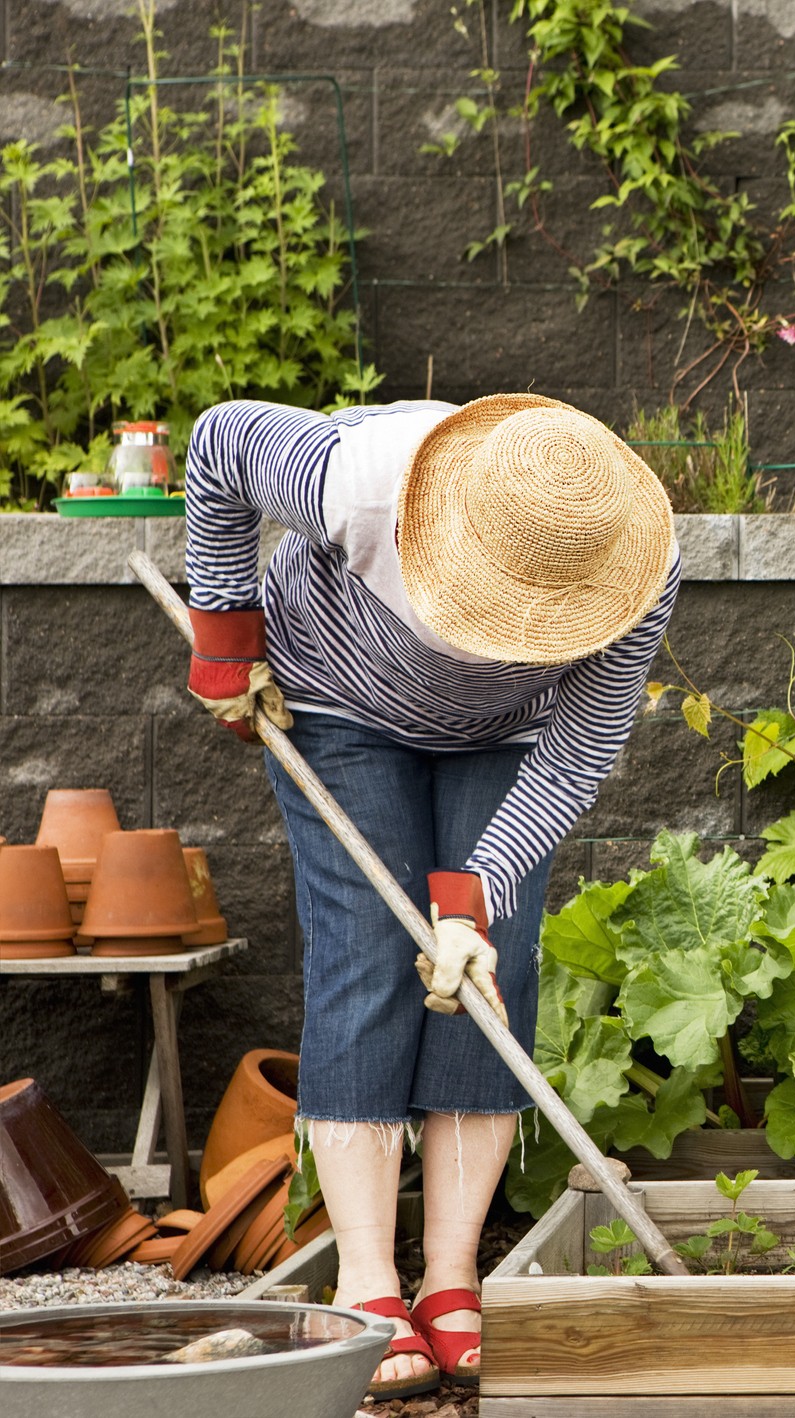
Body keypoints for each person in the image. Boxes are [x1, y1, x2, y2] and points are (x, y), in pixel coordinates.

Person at [181, 394, 678, 1399]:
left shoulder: (636, 564)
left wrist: (473, 901)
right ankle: (369, 1275)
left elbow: (577, 752)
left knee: (490, 974)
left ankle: (452, 1275)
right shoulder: (359, 482)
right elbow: (216, 446)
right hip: (335, 698)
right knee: (367, 952)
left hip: (510, 736)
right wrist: (225, 640)